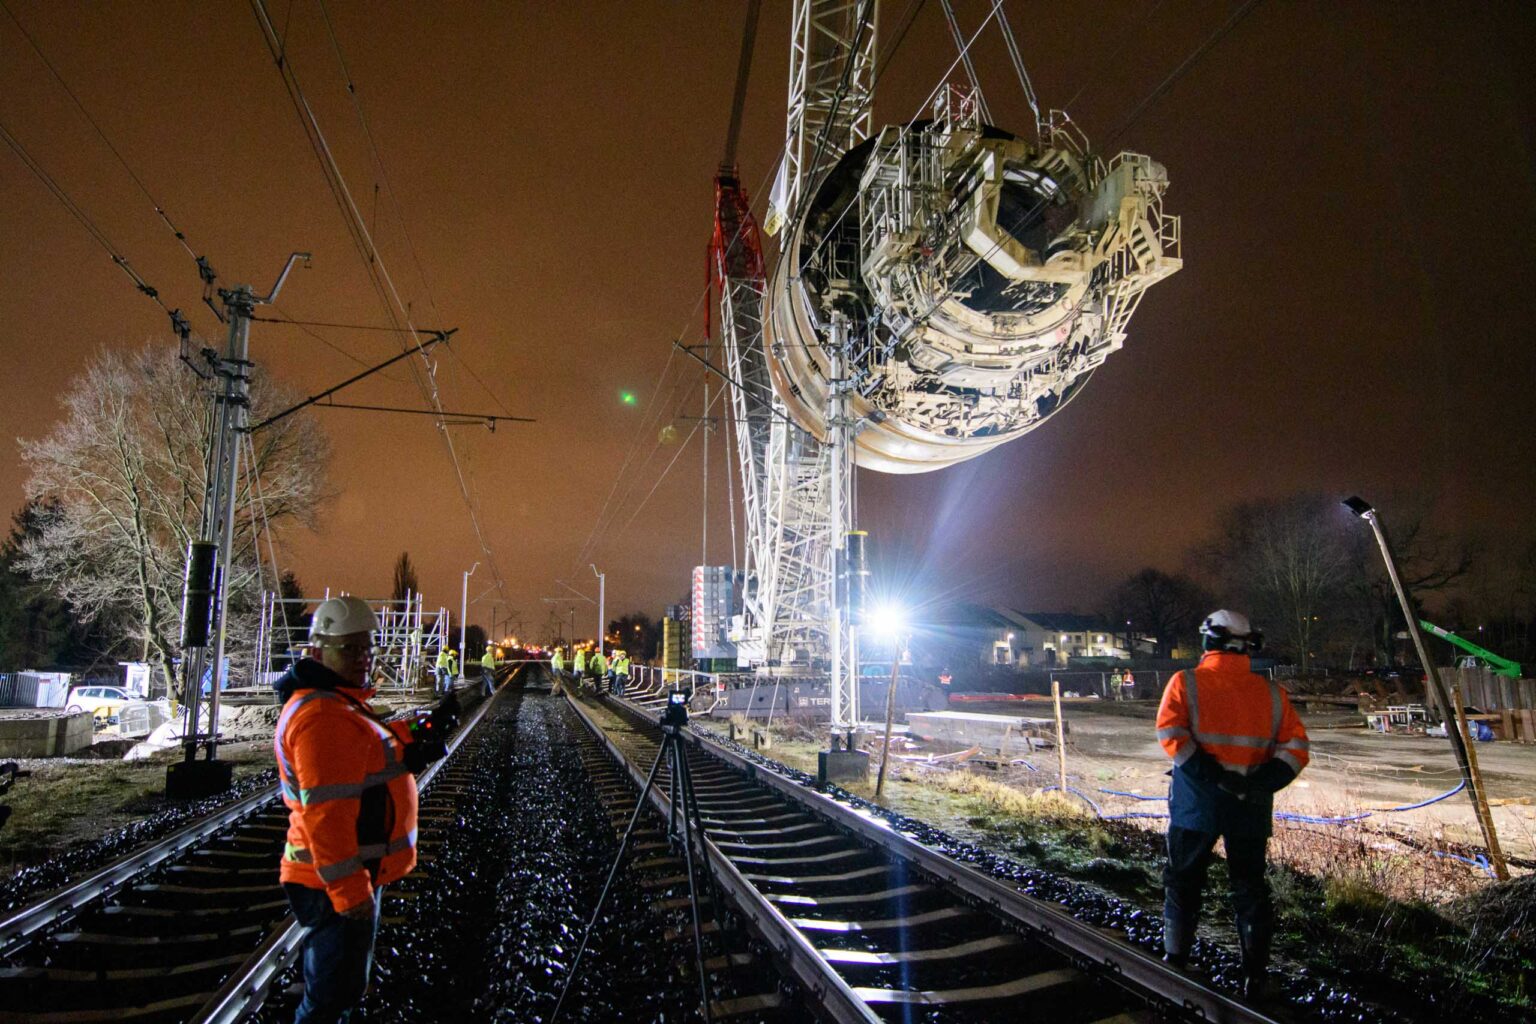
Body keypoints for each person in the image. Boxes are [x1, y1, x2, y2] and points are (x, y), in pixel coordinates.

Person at [272, 596, 420, 1024]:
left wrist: (408, 736)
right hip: (333, 880)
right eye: (349, 649)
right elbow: (327, 813)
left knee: (337, 989)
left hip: (340, 873)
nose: (362, 657)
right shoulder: (322, 715)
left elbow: (362, 757)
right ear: (318, 651)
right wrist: (351, 894)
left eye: (366, 647)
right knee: (331, 999)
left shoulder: (335, 701)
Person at [1155, 609, 1310, 1001]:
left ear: (1210, 641)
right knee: (1250, 889)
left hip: (1196, 805)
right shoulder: (1273, 694)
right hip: (1250, 808)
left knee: (1184, 881)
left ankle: (1175, 962)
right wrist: (1261, 782)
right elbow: (1296, 749)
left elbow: (1170, 732)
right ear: (1247, 645)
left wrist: (1213, 775)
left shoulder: (1185, 682)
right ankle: (1254, 977)